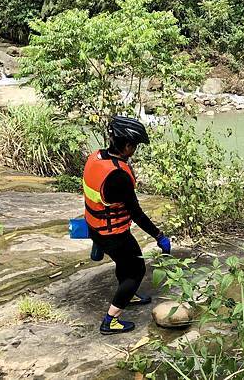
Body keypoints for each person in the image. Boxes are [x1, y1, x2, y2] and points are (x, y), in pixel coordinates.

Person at [82, 116, 171, 335]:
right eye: (135, 146)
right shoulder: (118, 176)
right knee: (136, 270)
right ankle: (110, 320)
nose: (135, 150)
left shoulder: (96, 158)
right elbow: (137, 214)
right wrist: (159, 236)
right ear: (128, 145)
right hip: (113, 233)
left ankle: (128, 294)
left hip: (95, 227)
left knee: (124, 263)